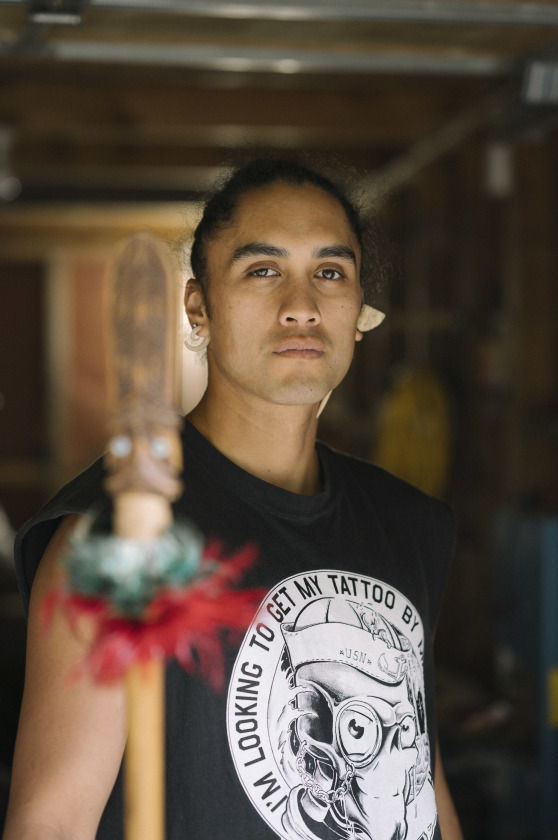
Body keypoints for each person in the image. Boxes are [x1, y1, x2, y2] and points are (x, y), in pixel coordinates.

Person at [4, 158, 463, 840]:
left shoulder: (409, 525)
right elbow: (53, 822)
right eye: (263, 270)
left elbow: (422, 779)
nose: (302, 304)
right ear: (199, 307)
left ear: (358, 314)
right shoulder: (120, 541)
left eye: (330, 272)